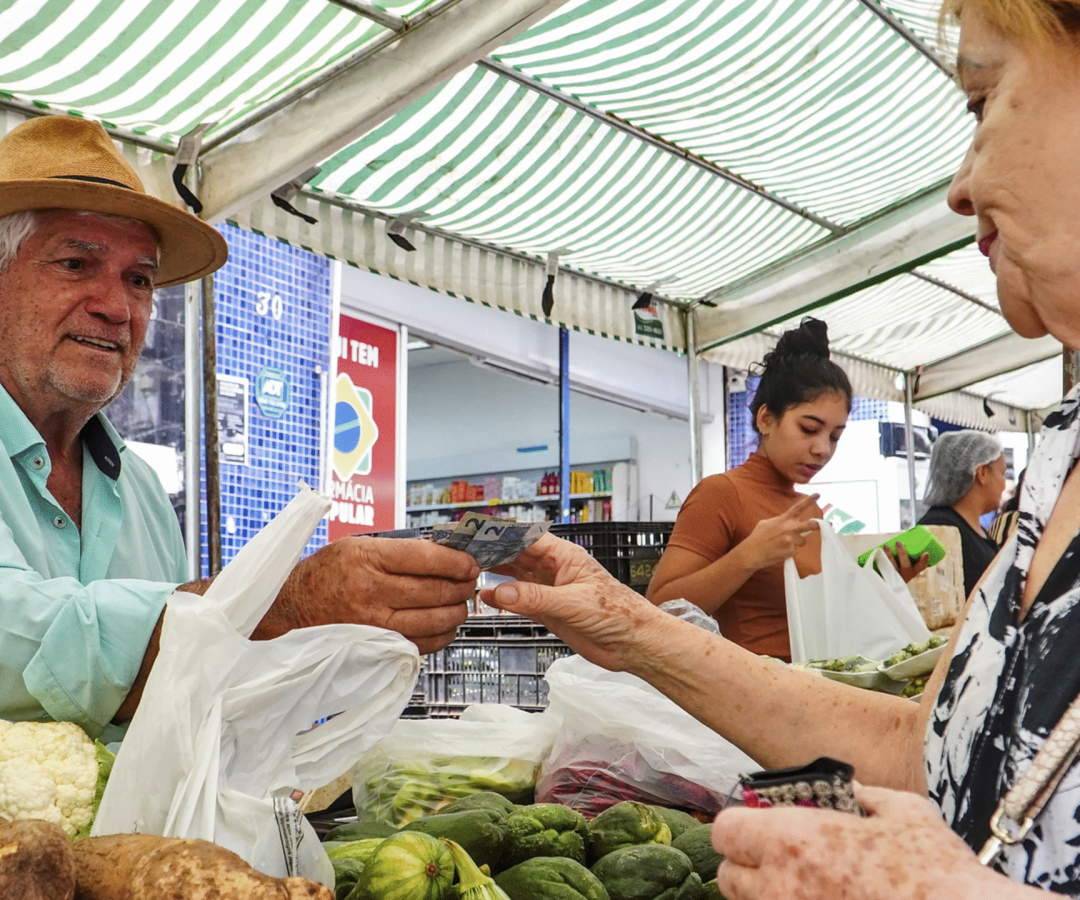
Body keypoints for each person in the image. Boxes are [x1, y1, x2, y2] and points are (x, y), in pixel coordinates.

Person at [480, 0, 1080, 895]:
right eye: (812, 429)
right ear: (760, 419)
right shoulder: (1057, 457)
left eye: (981, 101)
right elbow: (924, 752)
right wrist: (638, 628)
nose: (958, 187)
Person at [0, 115, 478, 742]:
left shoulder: (136, 486)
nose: (116, 307)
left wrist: (331, 645)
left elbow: (181, 685)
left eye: (138, 279)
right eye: (74, 264)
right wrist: (281, 605)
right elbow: (21, 645)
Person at [646, 318, 855, 660]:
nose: (823, 449)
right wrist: (748, 556)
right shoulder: (720, 494)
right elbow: (659, 609)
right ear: (765, 419)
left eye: (834, 436)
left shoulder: (809, 510)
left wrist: (881, 574)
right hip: (746, 698)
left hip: (815, 686)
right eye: (808, 429)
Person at [917, 430, 1006, 597]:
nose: (1004, 483)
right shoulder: (937, 528)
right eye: (1002, 474)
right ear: (982, 473)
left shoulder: (977, 530)